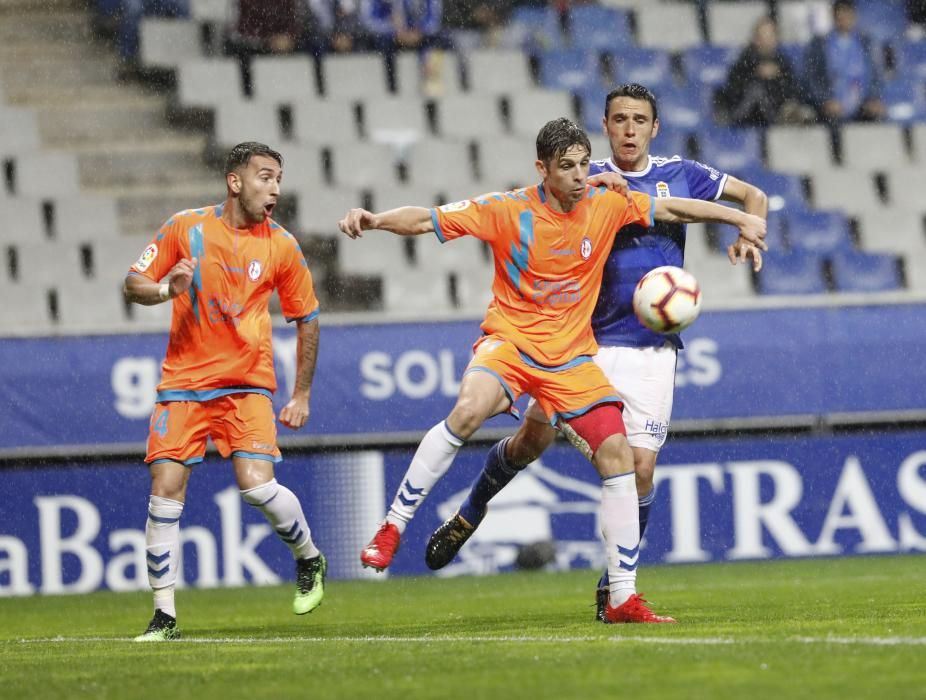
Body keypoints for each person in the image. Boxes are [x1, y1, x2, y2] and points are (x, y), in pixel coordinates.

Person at [339, 117, 766, 623]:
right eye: (567, 167)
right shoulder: (506, 209)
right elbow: (425, 220)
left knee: (619, 461)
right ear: (542, 168)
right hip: (512, 345)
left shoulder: (607, 203)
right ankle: (392, 527)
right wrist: (373, 220)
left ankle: (622, 597)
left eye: (586, 164)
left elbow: (672, 207)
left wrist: (735, 219)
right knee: (471, 409)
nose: (580, 175)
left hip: (571, 360)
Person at [124, 142, 326, 642]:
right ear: (235, 182)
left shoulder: (281, 245)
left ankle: (309, 558)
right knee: (164, 493)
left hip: (245, 384)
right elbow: (133, 283)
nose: (274, 187)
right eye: (264, 176)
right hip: (183, 385)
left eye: (279, 177)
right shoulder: (184, 228)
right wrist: (165, 291)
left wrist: (300, 395)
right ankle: (164, 616)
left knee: (256, 486)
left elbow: (308, 319)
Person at [717, 15, 811, 126]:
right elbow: (734, 90)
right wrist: (757, 75)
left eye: (771, 35)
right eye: (763, 35)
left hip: (776, 110)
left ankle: (790, 118)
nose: (767, 40)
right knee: (757, 92)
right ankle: (782, 121)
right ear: (755, 38)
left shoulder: (782, 62)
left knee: (803, 108)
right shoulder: (745, 60)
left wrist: (778, 76)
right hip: (749, 116)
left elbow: (792, 90)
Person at [804, 0, 885, 123]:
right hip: (831, 106)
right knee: (831, 118)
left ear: (854, 15)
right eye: (841, 15)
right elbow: (812, 77)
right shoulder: (819, 44)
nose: (845, 19)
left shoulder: (866, 43)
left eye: (848, 14)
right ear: (834, 16)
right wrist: (825, 100)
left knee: (877, 115)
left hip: (862, 105)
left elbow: (875, 75)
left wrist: (873, 98)